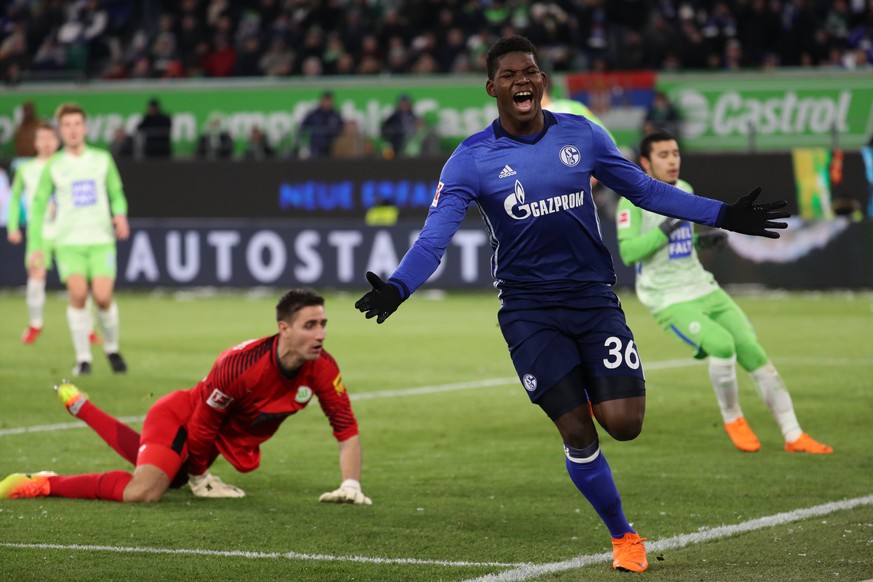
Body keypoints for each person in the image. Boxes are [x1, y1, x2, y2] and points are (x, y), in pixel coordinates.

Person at [354, 36, 787, 574]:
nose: (522, 82)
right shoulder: (471, 159)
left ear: (541, 82)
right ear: (493, 89)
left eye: (530, 72)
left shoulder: (582, 135)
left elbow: (646, 192)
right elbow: (434, 239)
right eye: (510, 75)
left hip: (593, 300)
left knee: (625, 424)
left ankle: (587, 386)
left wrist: (722, 214)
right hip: (530, 312)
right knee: (578, 430)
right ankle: (624, 535)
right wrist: (399, 286)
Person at [0, 289, 372, 506]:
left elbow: (345, 427)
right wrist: (201, 478)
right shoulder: (240, 365)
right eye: (310, 325)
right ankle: (45, 483)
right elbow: (203, 422)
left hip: (209, 437)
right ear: (283, 329)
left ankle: (80, 406)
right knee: (144, 491)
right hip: (181, 417)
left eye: (323, 324)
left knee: (167, 475)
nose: (320, 333)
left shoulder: (322, 367)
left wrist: (350, 486)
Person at [615, 130, 831, 455]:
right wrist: (665, 229)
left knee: (753, 352)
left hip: (701, 285)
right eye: (663, 155)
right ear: (645, 163)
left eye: (675, 153)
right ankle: (733, 418)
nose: (672, 160)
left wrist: (701, 241)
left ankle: (793, 434)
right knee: (721, 345)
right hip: (667, 297)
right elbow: (629, 253)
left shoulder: (684, 189)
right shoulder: (630, 201)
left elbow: (679, 244)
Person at [26, 102, 130, 376]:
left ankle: (112, 348)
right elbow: (37, 207)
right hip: (68, 242)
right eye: (67, 125)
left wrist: (120, 215)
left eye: (77, 124)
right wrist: (36, 246)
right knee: (79, 294)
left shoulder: (101, 159)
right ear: (61, 131)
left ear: (84, 128)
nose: (72, 130)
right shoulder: (55, 166)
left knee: (103, 297)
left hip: (100, 240)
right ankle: (83, 358)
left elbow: (116, 194)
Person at [299, 91, 344, 158]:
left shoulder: (335, 115)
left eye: (329, 100)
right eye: (325, 100)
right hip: (315, 147)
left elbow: (341, 128)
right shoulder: (313, 114)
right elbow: (303, 127)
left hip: (332, 147)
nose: (327, 103)